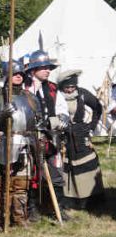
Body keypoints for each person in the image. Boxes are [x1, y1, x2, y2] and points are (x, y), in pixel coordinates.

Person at [0, 60, 39, 229]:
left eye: (20, 74)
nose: (18, 77)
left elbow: (38, 120)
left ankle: (20, 217)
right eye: (14, 74)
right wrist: (1, 114)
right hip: (7, 141)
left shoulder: (30, 97)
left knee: (22, 184)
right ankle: (3, 218)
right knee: (5, 184)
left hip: (27, 143)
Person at [24, 49, 71, 221]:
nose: (48, 70)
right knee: (31, 173)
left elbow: (61, 109)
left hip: (51, 137)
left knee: (56, 174)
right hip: (29, 137)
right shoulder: (24, 87)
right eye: (44, 67)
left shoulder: (52, 88)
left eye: (49, 68)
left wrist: (63, 118)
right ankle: (32, 208)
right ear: (34, 69)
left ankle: (57, 208)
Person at [57, 69, 104, 208]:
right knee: (67, 166)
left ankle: (91, 197)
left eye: (72, 86)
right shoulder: (57, 97)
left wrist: (91, 126)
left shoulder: (82, 94)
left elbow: (97, 107)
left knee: (88, 164)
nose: (70, 89)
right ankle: (71, 199)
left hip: (81, 135)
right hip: (64, 136)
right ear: (62, 87)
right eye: (67, 87)